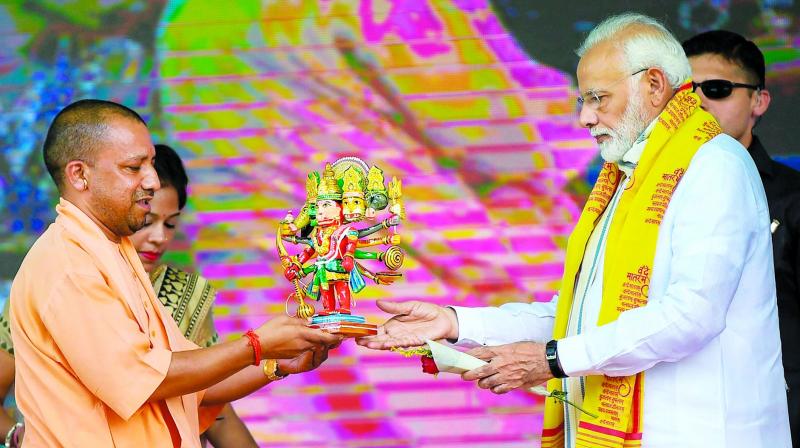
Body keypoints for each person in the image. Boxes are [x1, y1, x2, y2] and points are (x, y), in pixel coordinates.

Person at [358, 13, 791, 448]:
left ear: (655, 86)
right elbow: (580, 316)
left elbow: (691, 315)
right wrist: (455, 322)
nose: (585, 117)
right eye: (583, 100)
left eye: (599, 98)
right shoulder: (626, 179)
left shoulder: (712, 165)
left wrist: (553, 360)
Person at [9, 99, 343, 447]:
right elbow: (148, 380)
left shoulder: (114, 254)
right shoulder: (69, 265)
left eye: (150, 163)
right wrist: (256, 344)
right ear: (79, 175)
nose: (152, 181)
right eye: (133, 167)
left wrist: (276, 362)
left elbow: (193, 383)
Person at [682, 30, 800, 445]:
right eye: (684, 89)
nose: (697, 101)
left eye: (717, 89)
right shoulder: (645, 197)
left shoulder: (793, 198)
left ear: (759, 101)